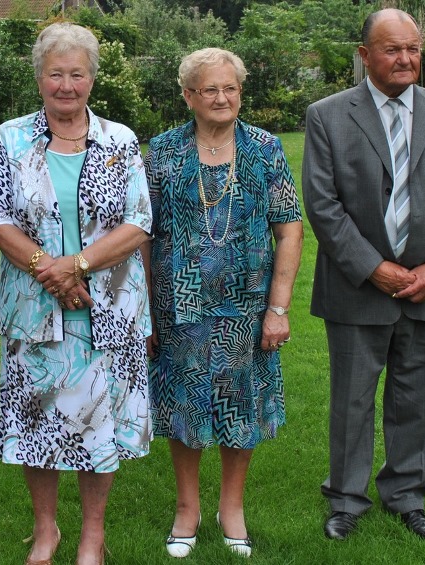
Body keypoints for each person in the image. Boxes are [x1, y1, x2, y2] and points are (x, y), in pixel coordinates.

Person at [302, 8, 425, 543]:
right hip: (358, 288)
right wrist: (372, 267)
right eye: (391, 49)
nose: (405, 59)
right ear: (365, 55)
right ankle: (346, 499)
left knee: (419, 398)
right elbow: (323, 203)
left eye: (413, 49)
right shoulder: (328, 115)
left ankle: (407, 495)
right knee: (352, 399)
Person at [0, 22, 152, 565]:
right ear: (39, 78)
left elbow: (138, 222)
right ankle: (45, 531)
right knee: (38, 422)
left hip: (111, 309)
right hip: (35, 311)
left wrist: (76, 265)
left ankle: (92, 539)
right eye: (55, 73)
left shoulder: (120, 141)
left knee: (100, 425)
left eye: (76, 73)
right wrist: (49, 271)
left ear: (91, 79)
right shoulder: (10, 137)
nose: (66, 85)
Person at [143, 48, 303, 559]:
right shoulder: (163, 151)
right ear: (188, 95)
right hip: (179, 307)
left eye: (230, 88)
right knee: (185, 405)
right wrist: (144, 305)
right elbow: (142, 234)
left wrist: (278, 308)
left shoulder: (264, 147)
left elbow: (290, 228)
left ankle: (231, 507)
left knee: (243, 406)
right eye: (209, 89)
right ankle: (187, 508)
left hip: (247, 305)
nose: (221, 97)